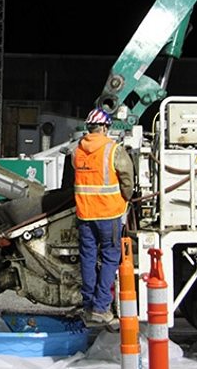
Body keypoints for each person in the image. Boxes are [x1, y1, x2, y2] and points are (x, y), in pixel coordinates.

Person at [73, 108, 134, 325]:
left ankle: (89, 306)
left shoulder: (77, 150)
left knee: (88, 258)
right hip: (109, 213)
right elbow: (127, 179)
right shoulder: (113, 150)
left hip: (85, 214)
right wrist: (128, 197)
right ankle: (101, 307)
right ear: (105, 127)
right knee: (110, 257)